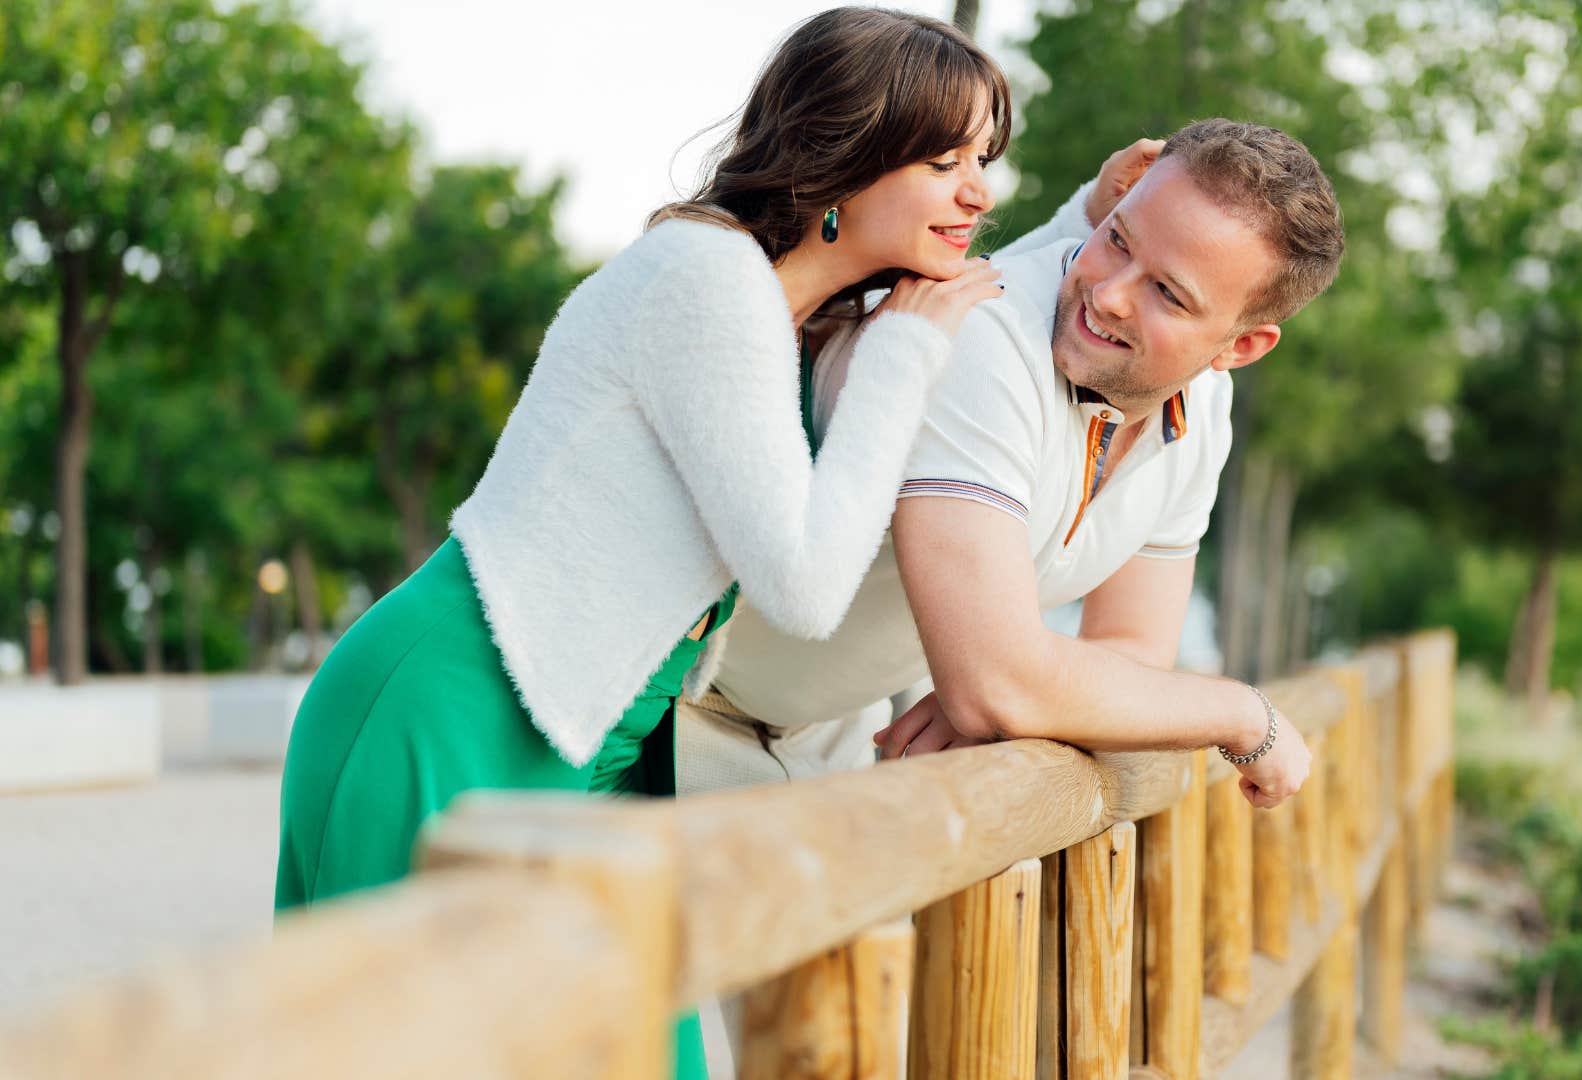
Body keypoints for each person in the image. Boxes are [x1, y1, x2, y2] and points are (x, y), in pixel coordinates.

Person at [271, 8, 1151, 1077]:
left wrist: (1093, 219)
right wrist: (908, 354)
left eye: (985, 162)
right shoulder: (705, 282)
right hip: (450, 710)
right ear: (846, 152)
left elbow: (981, 291)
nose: (978, 191)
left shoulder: (781, 312)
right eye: (942, 160)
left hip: (584, 753)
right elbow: (807, 584)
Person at [681, 118, 1345, 808]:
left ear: (1240, 347)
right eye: (1116, 238)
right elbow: (997, 684)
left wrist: (1028, 690)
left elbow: (1129, 647)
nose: (1111, 293)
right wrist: (1240, 715)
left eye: (1168, 294)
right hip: (670, 710)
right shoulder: (982, 336)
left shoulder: (1204, 408)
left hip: (829, 744)